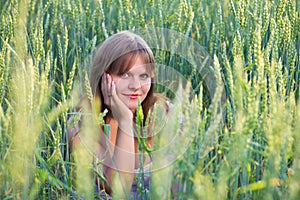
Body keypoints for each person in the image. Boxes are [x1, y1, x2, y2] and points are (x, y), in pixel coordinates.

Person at [68, 31, 170, 199]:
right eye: (124, 74)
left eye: (143, 75)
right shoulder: (81, 124)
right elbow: (119, 189)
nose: (135, 85)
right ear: (102, 76)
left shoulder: (163, 113)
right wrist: (125, 121)